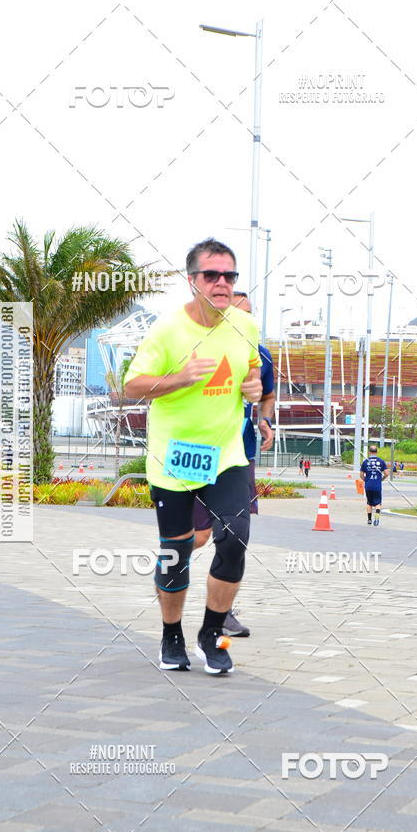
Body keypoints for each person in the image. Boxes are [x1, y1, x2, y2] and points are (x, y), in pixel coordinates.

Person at [124, 238, 262, 675]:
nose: (222, 283)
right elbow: (133, 387)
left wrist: (254, 387)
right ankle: (171, 636)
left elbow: (252, 368)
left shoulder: (246, 325)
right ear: (193, 281)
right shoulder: (167, 330)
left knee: (235, 538)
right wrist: (179, 377)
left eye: (230, 275)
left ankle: (212, 635)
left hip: (226, 454)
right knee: (177, 551)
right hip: (175, 457)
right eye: (212, 275)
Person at [192, 290, 275, 639]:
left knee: (234, 537)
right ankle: (169, 577)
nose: (245, 322)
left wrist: (265, 420)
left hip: (239, 457)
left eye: (250, 315)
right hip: (195, 454)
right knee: (195, 537)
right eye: (238, 314)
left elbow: (268, 394)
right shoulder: (197, 349)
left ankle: (221, 613)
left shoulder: (261, 355)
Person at [360, 444, 388, 526]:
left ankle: (369, 519)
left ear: (369, 452)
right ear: (376, 452)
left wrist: (365, 480)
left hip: (368, 485)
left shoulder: (366, 462)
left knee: (369, 502)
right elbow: (386, 473)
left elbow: (361, 475)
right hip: (377, 485)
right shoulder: (381, 461)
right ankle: (377, 519)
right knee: (378, 503)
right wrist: (381, 479)